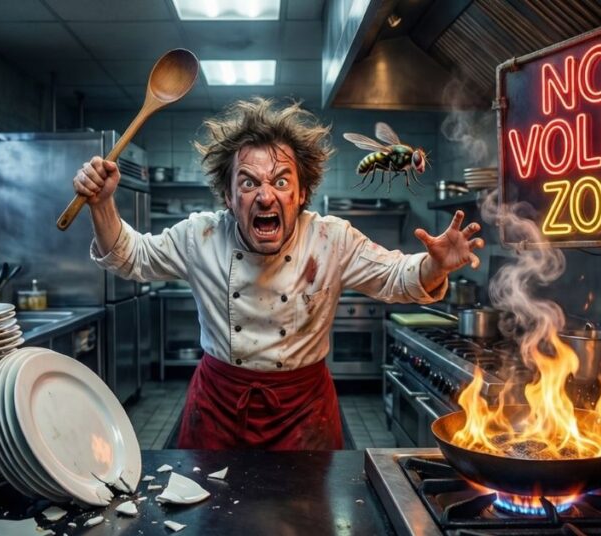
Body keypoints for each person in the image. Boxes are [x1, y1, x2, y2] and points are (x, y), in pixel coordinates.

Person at [73, 98, 484, 450]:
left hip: (305, 412)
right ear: (230, 197)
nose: (265, 195)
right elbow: (130, 257)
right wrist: (102, 205)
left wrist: (435, 264)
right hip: (217, 406)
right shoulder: (201, 234)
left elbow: (398, 276)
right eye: (248, 182)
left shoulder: (331, 238)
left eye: (281, 181)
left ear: (302, 193)